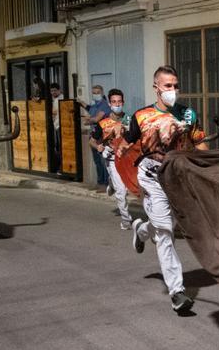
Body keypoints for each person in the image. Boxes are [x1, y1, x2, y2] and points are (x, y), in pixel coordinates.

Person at [117, 66, 208, 313]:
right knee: (166, 232)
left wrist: (210, 166)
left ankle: (141, 229)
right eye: (168, 86)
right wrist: (122, 150)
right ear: (156, 87)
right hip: (151, 178)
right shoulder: (141, 116)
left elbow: (199, 143)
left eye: (176, 85)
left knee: (165, 225)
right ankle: (177, 292)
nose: (173, 90)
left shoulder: (188, 114)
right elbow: (127, 142)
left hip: (177, 178)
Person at [89, 88, 133, 230]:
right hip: (112, 159)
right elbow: (91, 141)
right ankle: (126, 220)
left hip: (126, 158)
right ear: (109, 104)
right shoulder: (103, 123)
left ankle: (111, 184)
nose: (117, 104)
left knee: (124, 186)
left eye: (119, 101)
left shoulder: (129, 119)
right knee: (122, 191)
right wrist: (98, 147)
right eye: (114, 102)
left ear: (123, 102)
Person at [80, 85, 112, 187]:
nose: (95, 94)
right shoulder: (95, 104)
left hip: (101, 135)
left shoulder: (104, 105)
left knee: (103, 161)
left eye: (97, 92)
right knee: (97, 161)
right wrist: (81, 103)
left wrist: (88, 120)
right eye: (94, 92)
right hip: (93, 134)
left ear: (102, 93)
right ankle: (100, 182)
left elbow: (97, 119)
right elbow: (90, 111)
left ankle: (106, 184)